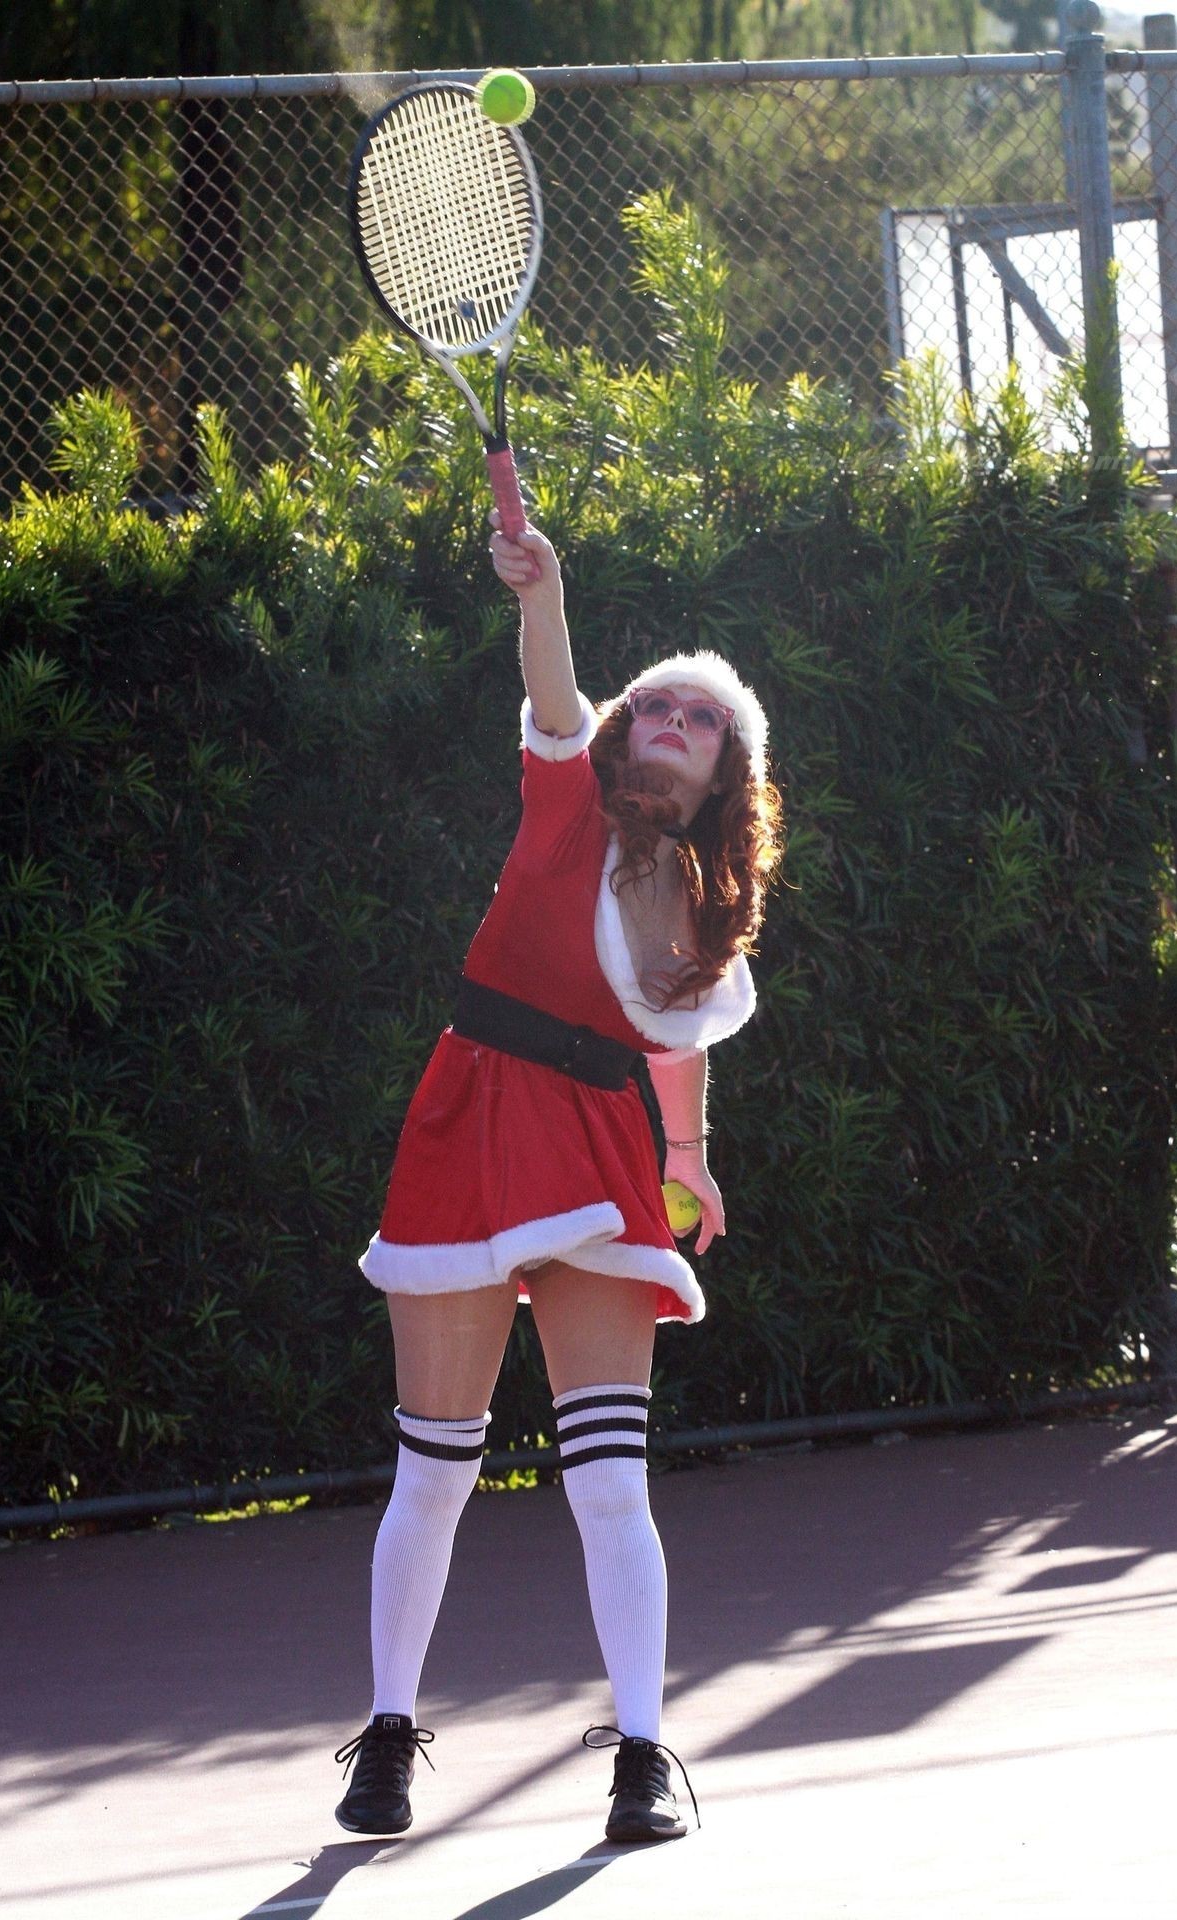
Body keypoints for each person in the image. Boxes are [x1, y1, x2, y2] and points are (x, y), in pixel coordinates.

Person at [334, 513, 784, 1844]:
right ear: (627, 730)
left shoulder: (696, 900)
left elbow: (673, 1042)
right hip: (469, 1118)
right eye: (661, 704)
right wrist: (546, 591)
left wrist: (689, 1159)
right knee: (436, 1469)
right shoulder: (565, 790)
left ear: (726, 772)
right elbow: (553, 690)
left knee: (608, 1480)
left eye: (705, 718)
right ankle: (386, 1738)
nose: (676, 718)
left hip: (597, 1146)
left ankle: (642, 1756)